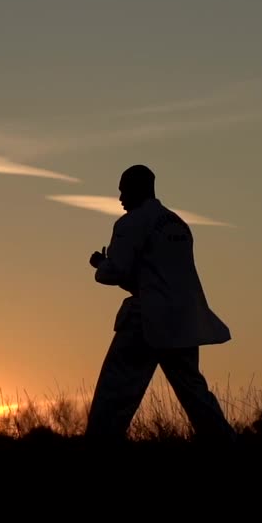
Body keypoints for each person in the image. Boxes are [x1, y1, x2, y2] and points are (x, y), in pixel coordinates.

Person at [84, 164, 237, 444]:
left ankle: (98, 445)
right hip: (183, 321)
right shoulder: (178, 223)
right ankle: (225, 441)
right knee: (194, 392)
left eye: (123, 190)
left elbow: (116, 273)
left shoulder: (130, 224)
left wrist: (100, 264)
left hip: (146, 321)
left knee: (115, 392)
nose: (119, 197)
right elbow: (163, 274)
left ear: (136, 189)